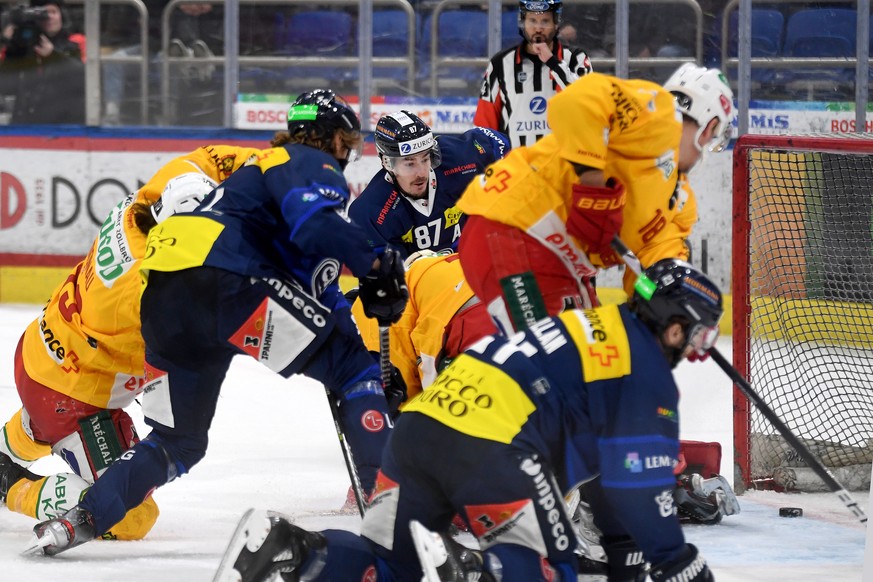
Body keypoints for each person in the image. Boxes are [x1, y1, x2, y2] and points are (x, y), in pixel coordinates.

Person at [26, 89, 409, 556]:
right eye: (346, 142)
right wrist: (376, 264)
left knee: (178, 441)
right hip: (229, 283)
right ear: (329, 139)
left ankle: (80, 520)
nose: (346, 153)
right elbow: (316, 228)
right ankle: (390, 521)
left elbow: (312, 278)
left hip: (164, 300)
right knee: (353, 370)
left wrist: (355, 290)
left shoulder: (243, 181)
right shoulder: (303, 161)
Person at [214, 259, 724, 582]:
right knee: (551, 569)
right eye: (700, 337)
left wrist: (627, 554)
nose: (700, 352)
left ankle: (287, 548)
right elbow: (637, 490)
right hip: (491, 447)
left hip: (417, 431)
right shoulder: (646, 371)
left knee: (390, 564)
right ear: (675, 328)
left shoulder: (581, 323)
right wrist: (679, 561)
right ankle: (474, 572)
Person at [0, 145, 261, 541]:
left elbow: (210, 159)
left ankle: (15, 441)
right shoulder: (147, 289)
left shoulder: (143, 202)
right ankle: (12, 489)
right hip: (71, 398)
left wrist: (274, 163)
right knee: (132, 516)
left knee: (47, 421)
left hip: (40, 352)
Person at [458, 62, 736, 335]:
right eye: (714, 138)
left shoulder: (680, 202)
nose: (705, 152)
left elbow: (645, 278)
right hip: (509, 227)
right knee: (552, 363)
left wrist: (674, 310)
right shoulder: (657, 113)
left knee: (598, 362)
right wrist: (592, 183)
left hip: (558, 264)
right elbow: (575, 100)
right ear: (708, 127)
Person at [348, 110, 509, 259]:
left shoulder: (460, 158)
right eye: (409, 163)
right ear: (388, 163)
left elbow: (499, 144)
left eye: (425, 159)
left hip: (476, 264)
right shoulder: (371, 213)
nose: (421, 173)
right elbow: (392, 280)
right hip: (429, 285)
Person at [474, 0, 593, 148]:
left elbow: (587, 102)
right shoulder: (500, 64)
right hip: (517, 166)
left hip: (563, 165)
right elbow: (484, 125)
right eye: (532, 21)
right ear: (523, 22)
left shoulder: (576, 59)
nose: (538, 28)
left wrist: (553, 63)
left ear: (556, 23)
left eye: (545, 21)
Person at [0, 0, 85, 124]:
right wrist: (10, 46)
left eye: (53, 12)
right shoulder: (23, 45)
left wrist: (52, 55)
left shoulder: (76, 42)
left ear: (62, 15)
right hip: (26, 124)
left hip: (65, 125)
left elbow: (84, 79)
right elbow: (6, 87)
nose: (49, 17)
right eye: (43, 13)